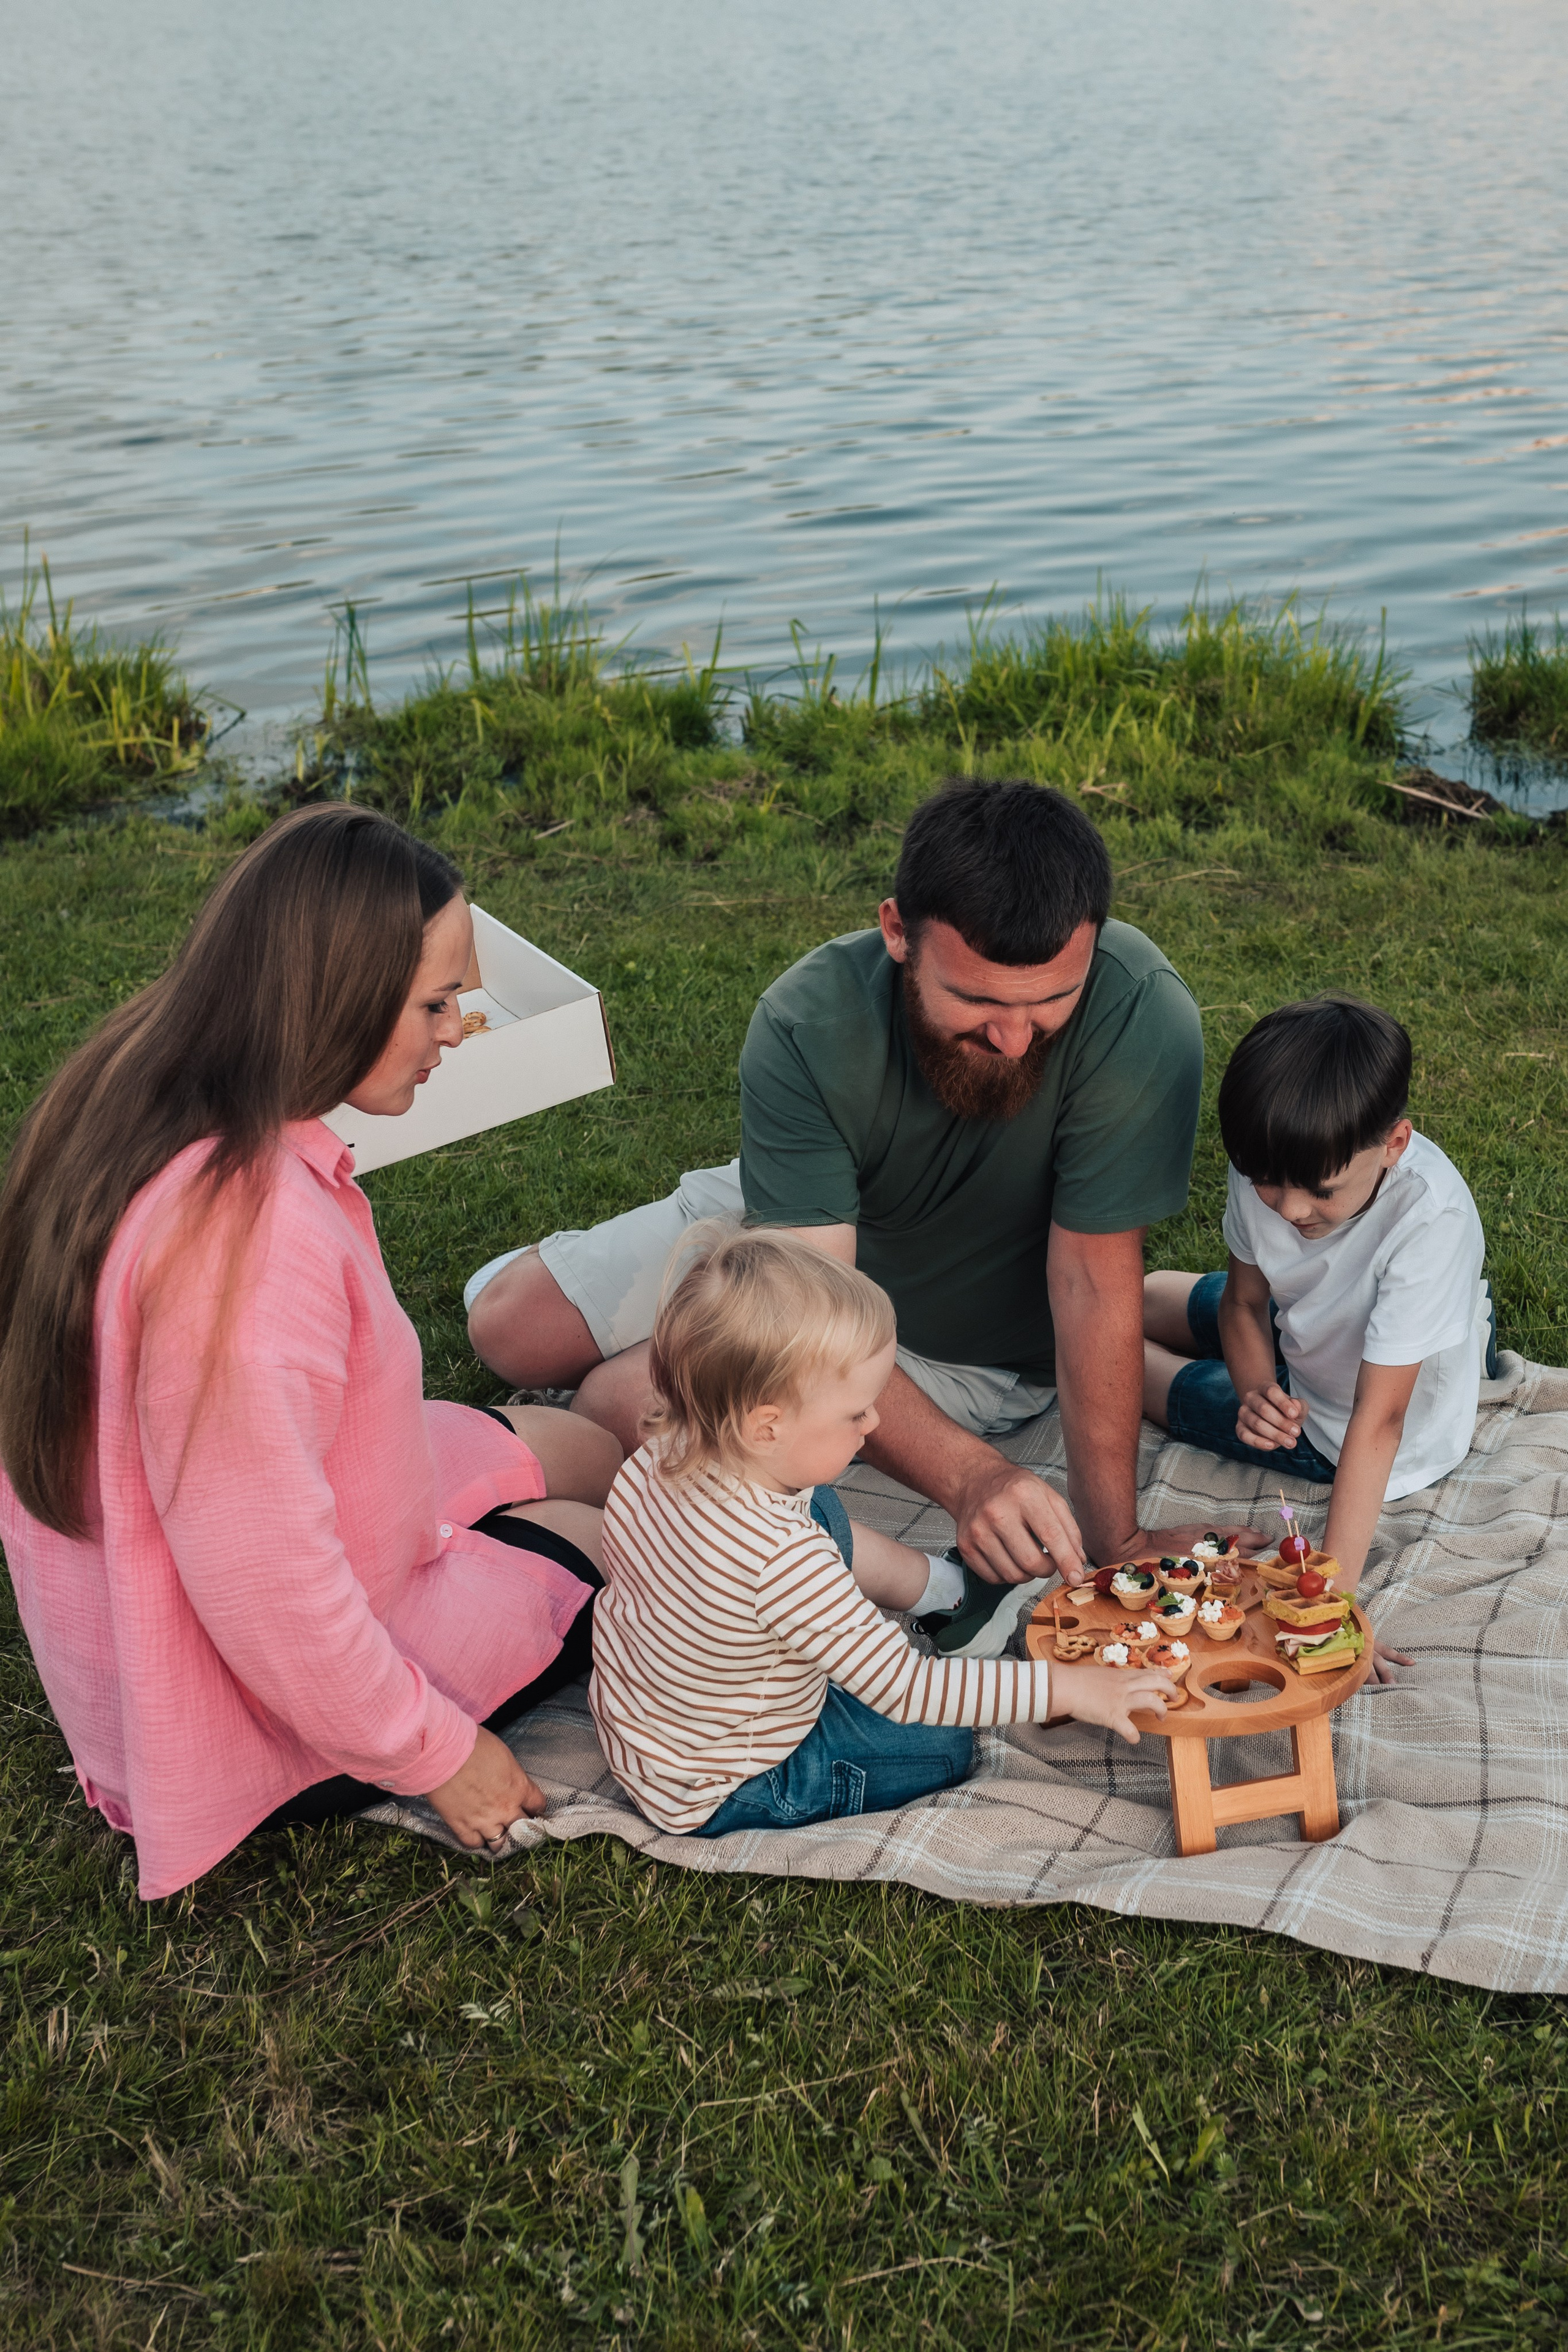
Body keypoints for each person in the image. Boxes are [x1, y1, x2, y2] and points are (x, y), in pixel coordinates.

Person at [0, 806, 622, 1902]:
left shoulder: (150, 1084)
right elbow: (267, 1590)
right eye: (435, 1003)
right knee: (604, 1540)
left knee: (583, 1445)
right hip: (245, 1691)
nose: (459, 1030)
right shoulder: (246, 1241)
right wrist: (441, 1755)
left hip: (319, 1491)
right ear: (330, 991)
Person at [467, 779, 1261, 1635]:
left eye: (1049, 1003)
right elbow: (815, 1307)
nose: (1015, 1038)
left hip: (959, 1335)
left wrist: (1120, 1538)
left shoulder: (1141, 1015)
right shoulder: (809, 1017)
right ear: (896, 933)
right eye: (980, 1001)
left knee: (625, 1403)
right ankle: (758, 1222)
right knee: (508, 1331)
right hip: (819, 1229)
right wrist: (972, 1479)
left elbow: (1091, 1282)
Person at [589, 1224, 1174, 1836]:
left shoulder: (663, 1453)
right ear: (765, 1427)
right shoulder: (782, 1562)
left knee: (816, 1508)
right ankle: (923, 1645)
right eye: (854, 1412)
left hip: (655, 1726)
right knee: (945, 1741)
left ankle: (947, 1595)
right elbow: (908, 1687)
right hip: (735, 1779)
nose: (874, 1423)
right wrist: (1069, 1689)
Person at [1142, 993, 1492, 1612]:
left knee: (1117, 1358)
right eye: (1266, 1185)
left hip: (1338, 1424)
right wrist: (1254, 1392)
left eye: (1321, 1191)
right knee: (1132, 1302)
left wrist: (1332, 1597)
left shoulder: (1429, 1222)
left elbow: (1379, 1420)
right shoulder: (1271, 1152)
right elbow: (1246, 1303)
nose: (1290, 1209)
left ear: (1394, 1143)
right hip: (1299, 1324)